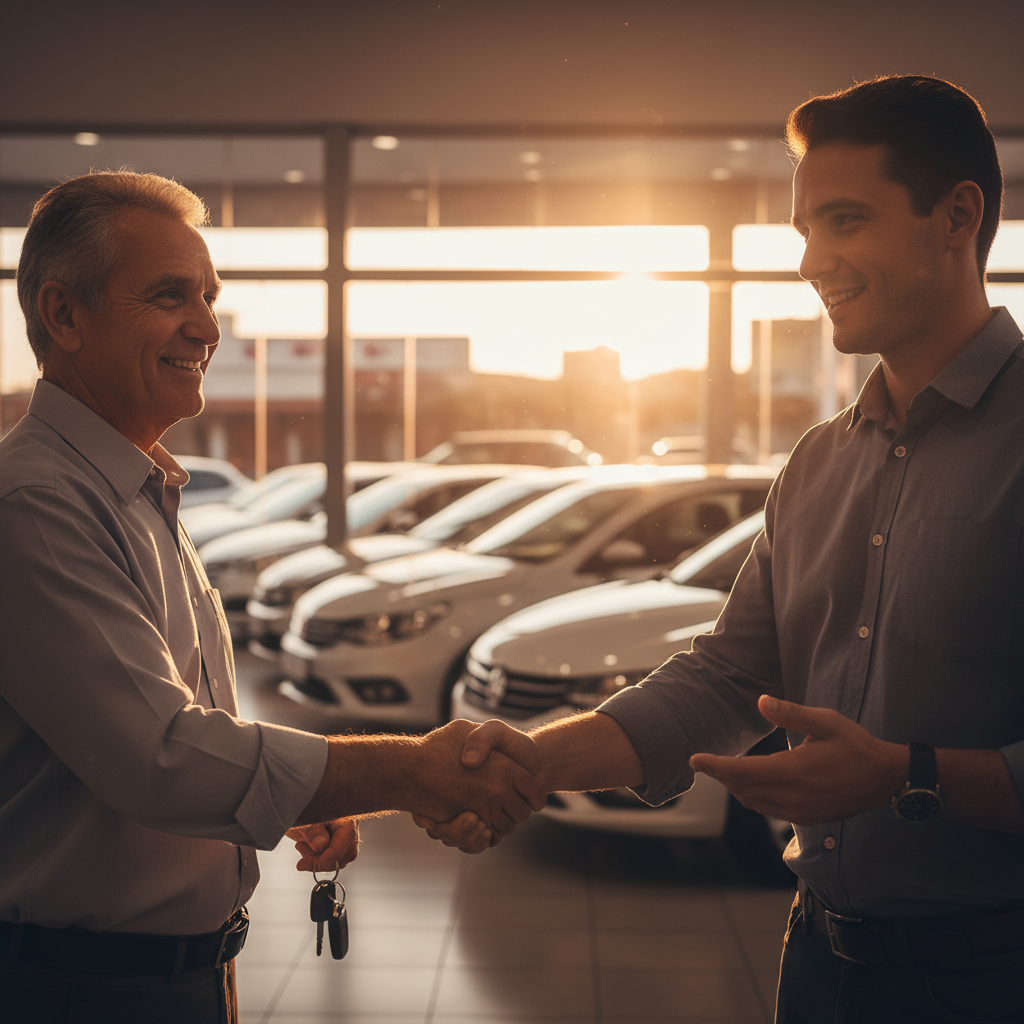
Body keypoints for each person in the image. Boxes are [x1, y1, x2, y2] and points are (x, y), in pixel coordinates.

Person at [420, 76, 1024, 1022]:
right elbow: (724, 679)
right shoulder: (820, 462)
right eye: (805, 232)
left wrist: (909, 776)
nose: (813, 261)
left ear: (957, 217)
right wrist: (527, 764)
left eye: (847, 221)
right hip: (820, 965)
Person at [0, 171, 546, 1024]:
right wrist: (408, 771)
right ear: (64, 315)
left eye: (210, 297)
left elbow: (175, 729)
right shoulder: (34, 505)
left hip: (169, 974)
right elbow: (163, 758)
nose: (208, 328)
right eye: (171, 295)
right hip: (81, 989)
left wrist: (306, 794)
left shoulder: (134, 488)